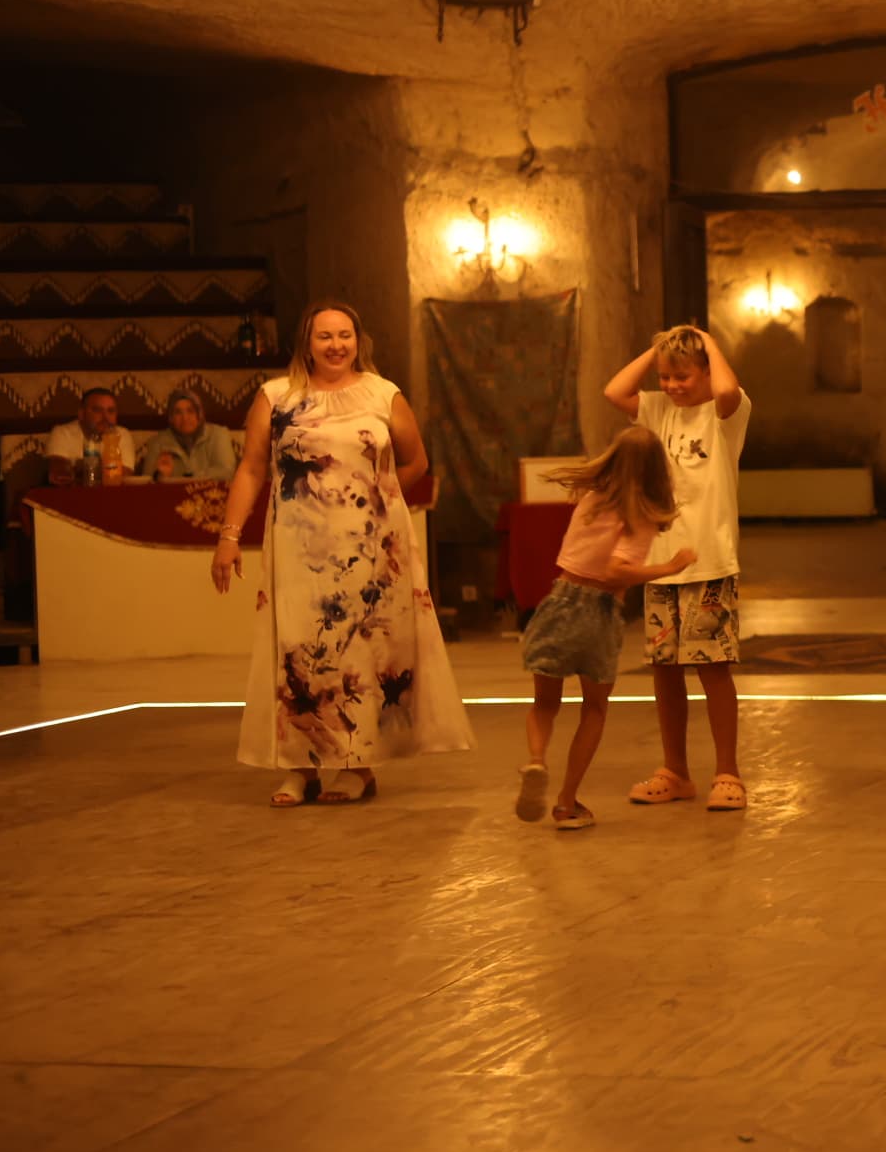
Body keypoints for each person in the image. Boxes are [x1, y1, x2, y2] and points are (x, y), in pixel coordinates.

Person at [209, 300, 471, 804]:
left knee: (359, 651)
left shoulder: (382, 393)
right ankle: (299, 768)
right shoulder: (276, 396)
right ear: (307, 342)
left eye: (345, 335)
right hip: (297, 546)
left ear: (358, 340)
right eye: (325, 336)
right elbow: (251, 468)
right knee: (299, 651)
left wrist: (378, 501)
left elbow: (415, 462)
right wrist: (228, 535)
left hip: (369, 549)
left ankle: (359, 764)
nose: (336, 345)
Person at [602, 324, 753, 811]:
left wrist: (706, 339)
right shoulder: (657, 410)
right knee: (664, 670)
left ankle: (727, 772)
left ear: (706, 371)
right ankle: (676, 770)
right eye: (666, 377)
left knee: (712, 669)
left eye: (683, 376)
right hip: (661, 562)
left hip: (708, 560)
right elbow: (615, 390)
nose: (671, 386)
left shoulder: (725, 412)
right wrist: (656, 351)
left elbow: (727, 387)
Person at [515, 427, 696, 831]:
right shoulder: (642, 516)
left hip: (560, 601)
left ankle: (536, 760)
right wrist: (669, 567)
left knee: (545, 704)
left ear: (611, 459)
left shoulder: (590, 500)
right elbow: (618, 570)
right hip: (598, 613)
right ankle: (566, 803)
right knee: (594, 708)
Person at [136, 389, 239, 482]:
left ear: (199, 415)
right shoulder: (158, 442)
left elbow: (226, 472)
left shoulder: (218, 435)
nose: (185, 418)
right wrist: (160, 476)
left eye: (190, 411)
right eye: (178, 412)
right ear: (171, 418)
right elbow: (148, 481)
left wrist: (189, 478)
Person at [44, 387, 138, 486]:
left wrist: (79, 467)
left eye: (110, 411)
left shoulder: (122, 434)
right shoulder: (62, 433)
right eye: (97, 410)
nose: (105, 417)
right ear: (81, 414)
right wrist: (108, 469)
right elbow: (59, 474)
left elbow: (125, 475)